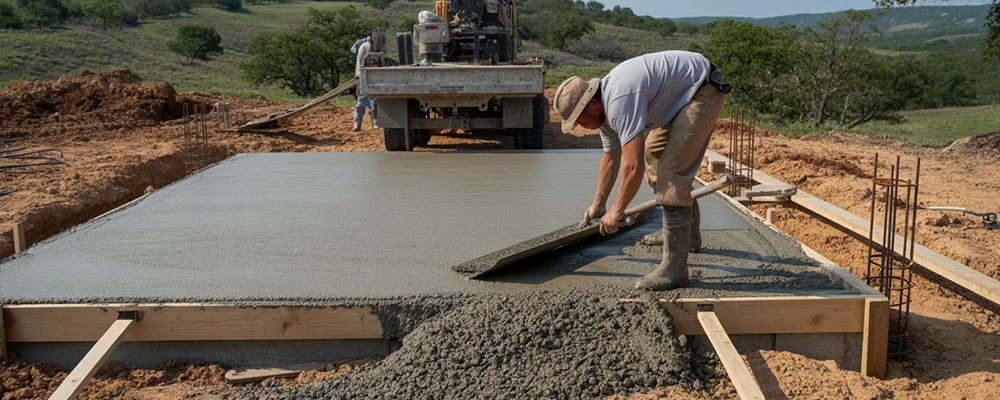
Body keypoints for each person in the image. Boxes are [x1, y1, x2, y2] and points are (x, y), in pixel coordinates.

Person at [553, 50, 730, 291]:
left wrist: (617, 210)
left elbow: (632, 166)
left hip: (701, 89)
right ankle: (687, 236)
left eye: (579, 120)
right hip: (679, 96)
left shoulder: (618, 102)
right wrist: (598, 205)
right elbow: (610, 158)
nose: (580, 126)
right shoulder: (603, 111)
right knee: (653, 155)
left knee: (671, 172)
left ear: (592, 105)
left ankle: (675, 269)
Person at [353, 33, 384, 131]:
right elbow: (359, 61)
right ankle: (357, 123)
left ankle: (375, 122)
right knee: (361, 101)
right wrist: (358, 74)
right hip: (363, 75)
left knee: (375, 101)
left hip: (376, 77)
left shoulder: (381, 48)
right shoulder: (364, 47)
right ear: (373, 38)